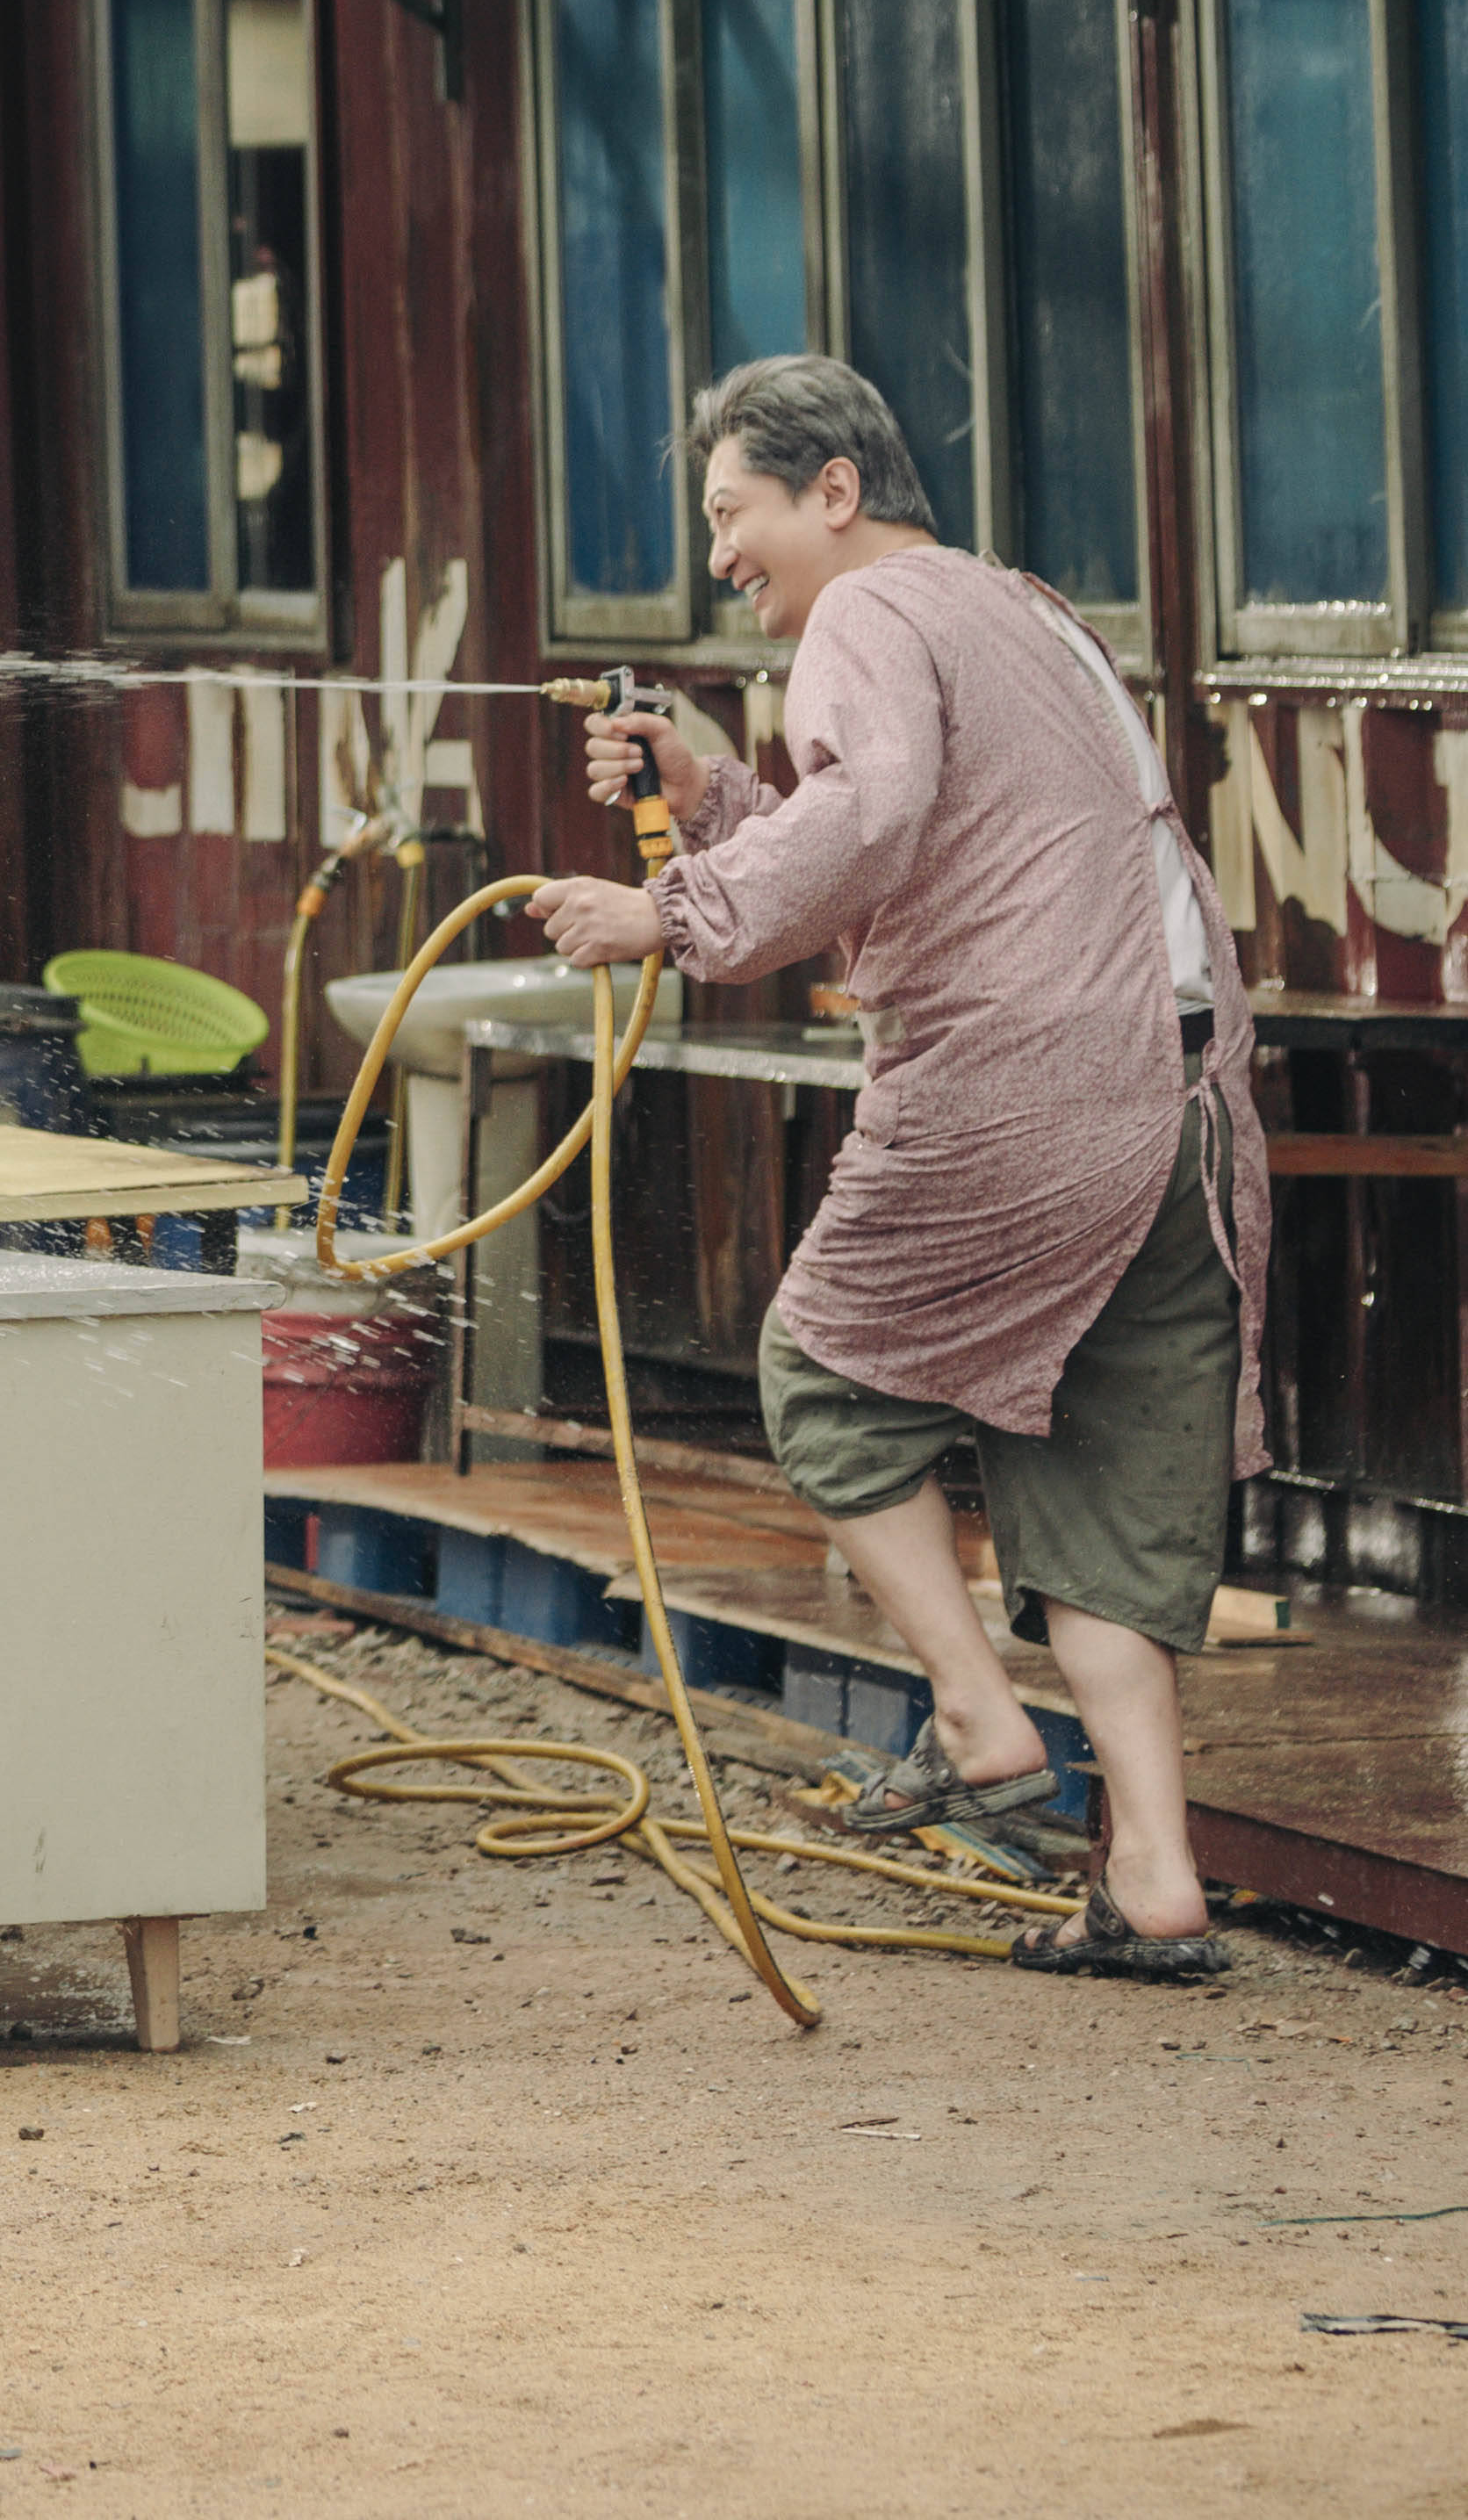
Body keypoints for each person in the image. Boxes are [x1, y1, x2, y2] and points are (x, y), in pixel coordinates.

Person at [526, 354, 1267, 1984]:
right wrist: (709, 793)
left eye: (735, 515)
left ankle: (977, 1721)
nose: (721, 558)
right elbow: (910, 827)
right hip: (1183, 1093)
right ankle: (1153, 1880)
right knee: (1103, 1478)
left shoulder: (869, 616)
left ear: (836, 492)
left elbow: (870, 810)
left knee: (824, 1380)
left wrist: (668, 910)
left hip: (1023, 1084)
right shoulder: (1025, 605)